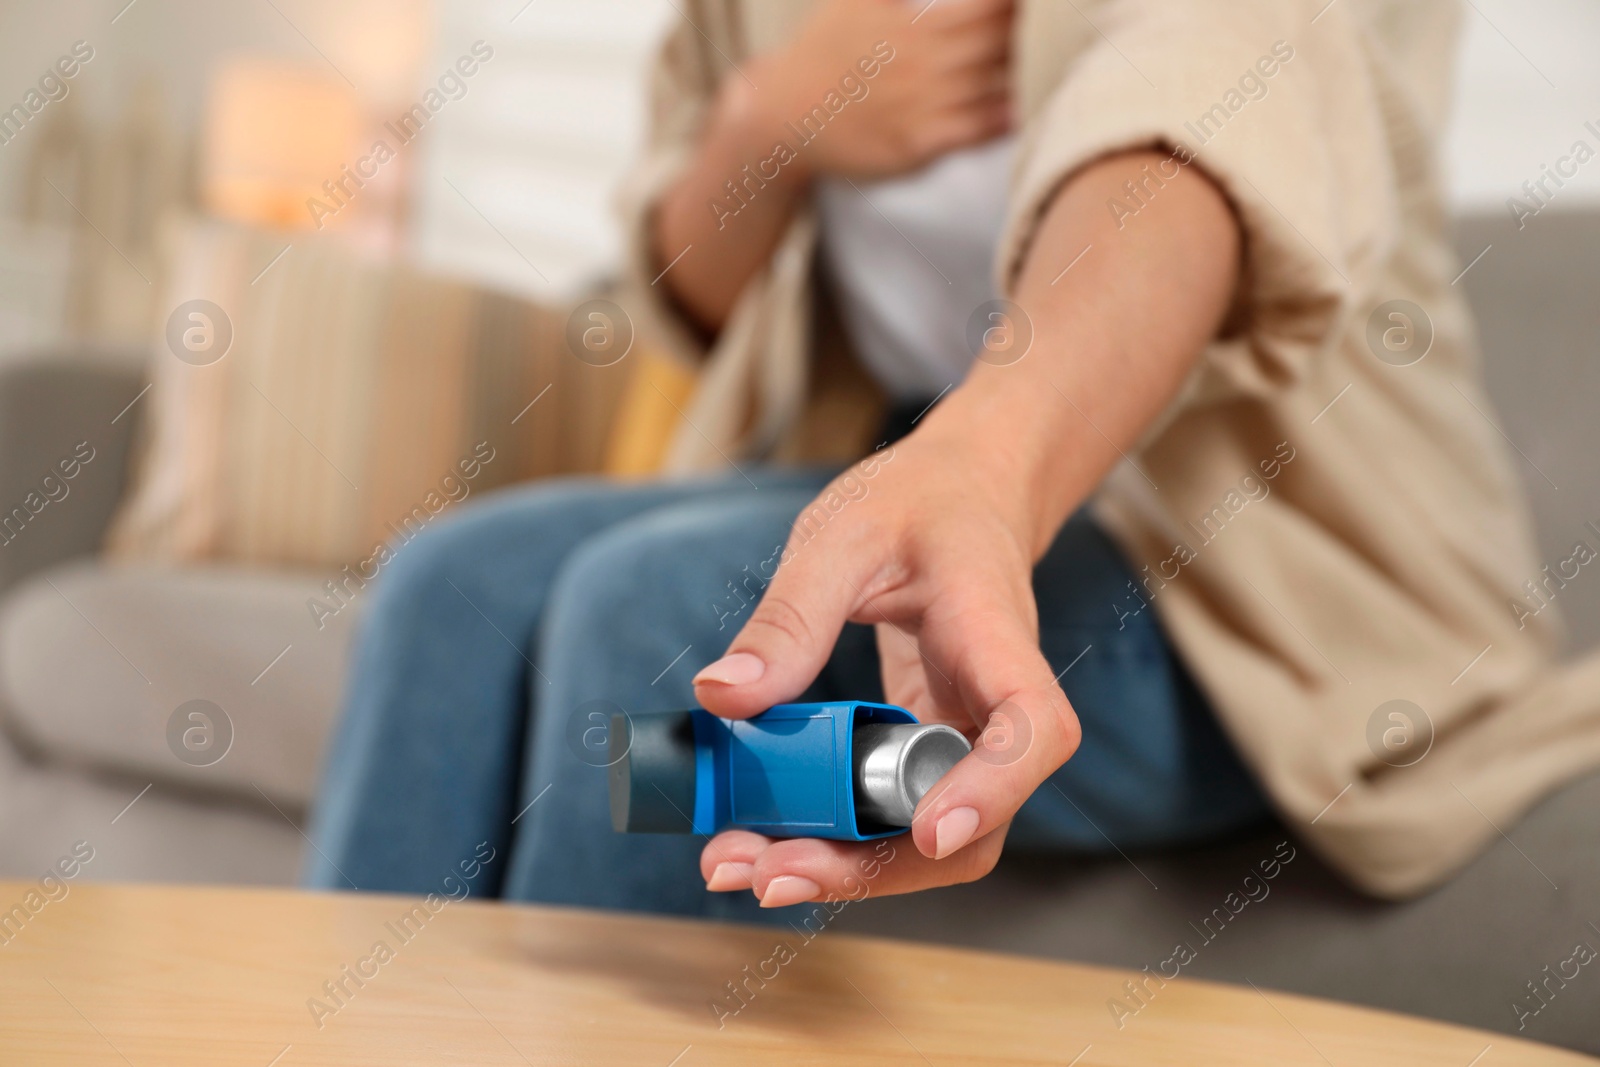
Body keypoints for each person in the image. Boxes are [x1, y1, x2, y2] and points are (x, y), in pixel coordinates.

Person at [307, 0, 1600, 914]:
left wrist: (985, 470)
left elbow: (1207, 111)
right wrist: (775, 120)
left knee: (647, 628)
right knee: (447, 587)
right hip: (902, 454)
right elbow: (685, 302)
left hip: (1248, 566)